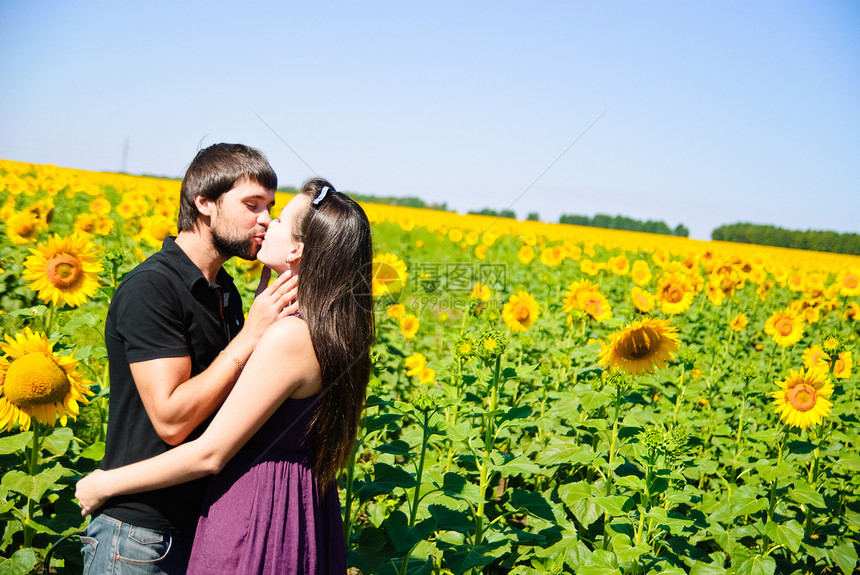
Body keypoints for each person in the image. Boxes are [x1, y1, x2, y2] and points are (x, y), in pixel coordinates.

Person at [77, 178, 374, 574]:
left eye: (280, 217)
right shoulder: (327, 326)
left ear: (297, 249)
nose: (267, 223)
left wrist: (104, 484)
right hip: (298, 504)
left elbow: (210, 453)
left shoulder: (288, 336)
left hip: (257, 510)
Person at [80, 143, 298, 574]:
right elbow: (172, 419)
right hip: (137, 533)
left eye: (270, 207)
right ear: (204, 203)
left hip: (197, 526)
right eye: (252, 205)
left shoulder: (225, 291)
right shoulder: (153, 288)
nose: (265, 220)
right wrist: (250, 335)